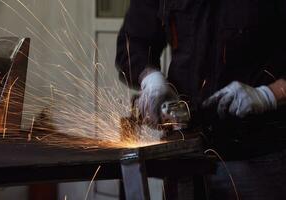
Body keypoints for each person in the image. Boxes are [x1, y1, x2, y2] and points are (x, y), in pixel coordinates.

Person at [115, 0, 286, 199]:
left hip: (260, 153)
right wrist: (150, 78)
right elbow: (133, 41)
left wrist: (269, 95)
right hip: (185, 151)